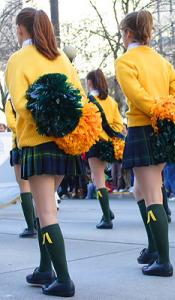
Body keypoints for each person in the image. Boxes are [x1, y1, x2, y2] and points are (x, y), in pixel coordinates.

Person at [5, 7, 85, 296]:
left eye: (16, 29)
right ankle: (44, 269)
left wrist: (44, 116)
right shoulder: (61, 57)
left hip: (37, 142)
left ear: (22, 29)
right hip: (64, 144)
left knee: (47, 212)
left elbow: (21, 103)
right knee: (45, 208)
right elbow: (80, 98)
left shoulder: (18, 59)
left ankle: (64, 280)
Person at [115, 10, 175, 276]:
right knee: (140, 190)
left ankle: (163, 259)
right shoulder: (160, 60)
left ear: (129, 33)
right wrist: (169, 109)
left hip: (143, 127)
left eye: (123, 33)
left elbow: (137, 96)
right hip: (162, 127)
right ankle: (154, 247)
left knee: (152, 192)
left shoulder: (125, 61)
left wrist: (158, 110)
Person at [86, 69, 123, 229]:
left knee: (98, 179)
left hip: (94, 142)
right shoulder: (111, 102)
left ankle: (107, 217)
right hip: (108, 144)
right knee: (98, 178)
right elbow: (118, 125)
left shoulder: (87, 101)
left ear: (90, 82)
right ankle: (107, 211)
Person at [5, 99, 36, 238]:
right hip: (35, 144)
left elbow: (12, 124)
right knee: (37, 187)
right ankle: (38, 223)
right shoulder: (31, 94)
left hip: (19, 144)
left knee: (24, 187)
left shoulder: (11, 101)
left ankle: (31, 226)